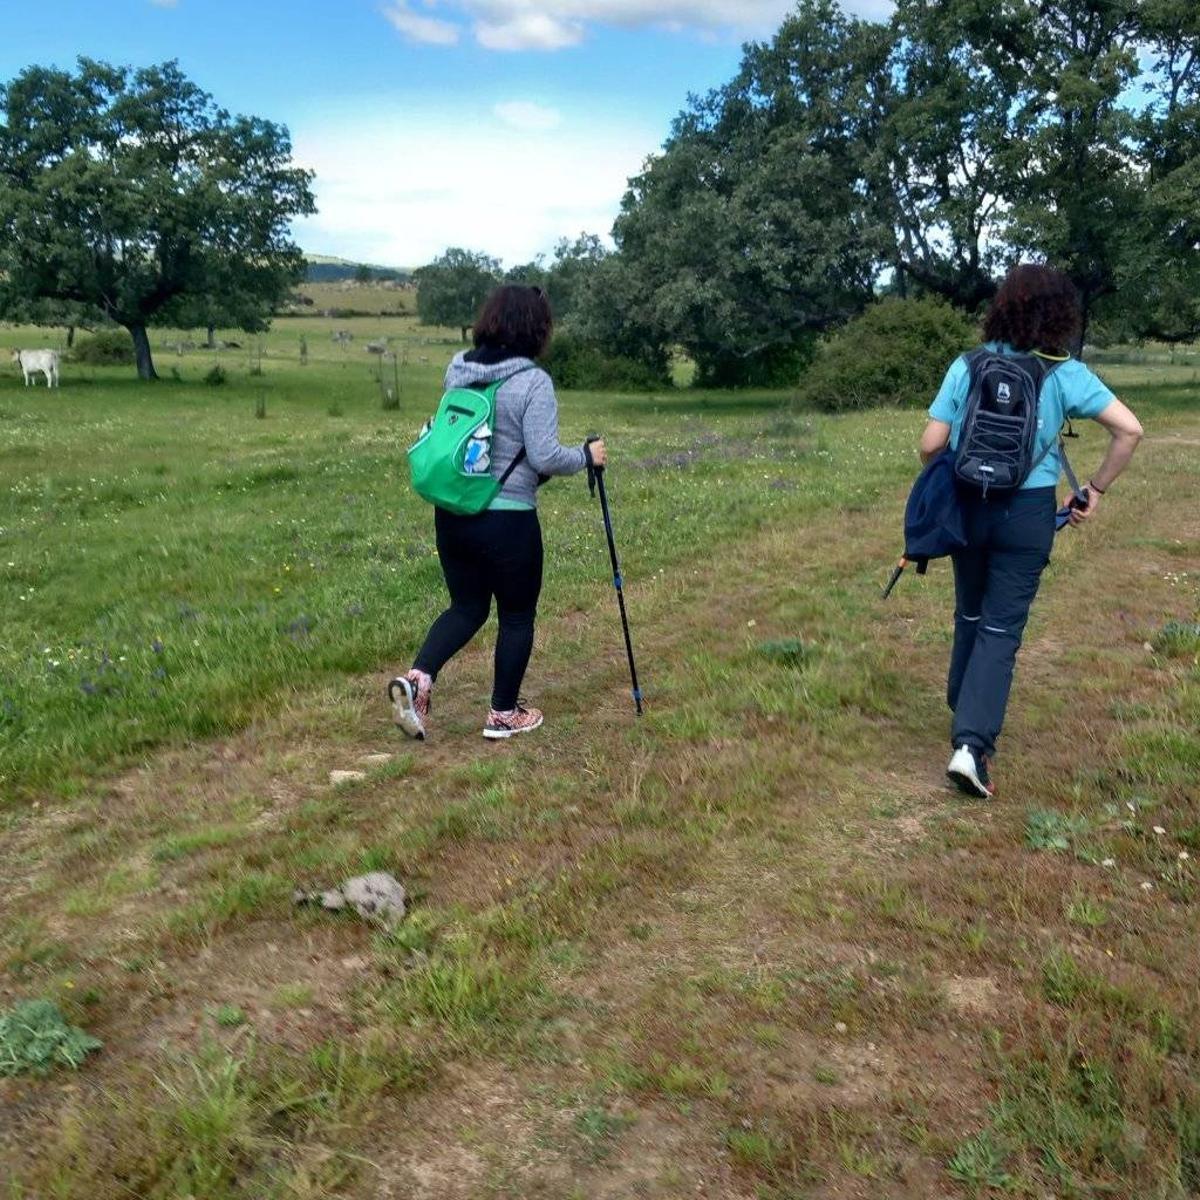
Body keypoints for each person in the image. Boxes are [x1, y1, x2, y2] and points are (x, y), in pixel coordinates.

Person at [919, 264, 1143, 797]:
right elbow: (1129, 431)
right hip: (1028, 513)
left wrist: (936, 481)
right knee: (1001, 628)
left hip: (968, 505)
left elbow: (932, 443)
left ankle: (966, 704)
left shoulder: (968, 364)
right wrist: (1095, 490)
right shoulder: (1064, 373)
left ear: (1003, 306)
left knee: (969, 610)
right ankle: (971, 745)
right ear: (1059, 315)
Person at [390, 285, 606, 741]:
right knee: (516, 616)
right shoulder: (533, 381)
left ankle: (418, 680)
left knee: (466, 607)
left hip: (453, 511)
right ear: (537, 328)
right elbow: (545, 457)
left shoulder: (457, 369)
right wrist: (588, 456)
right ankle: (503, 714)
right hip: (508, 519)